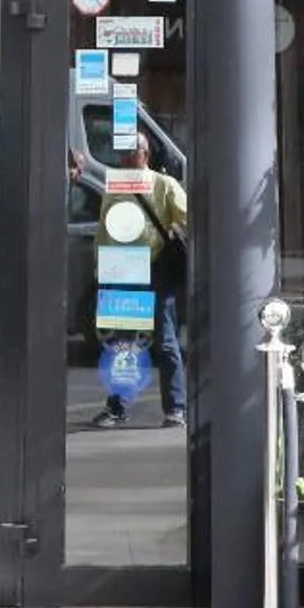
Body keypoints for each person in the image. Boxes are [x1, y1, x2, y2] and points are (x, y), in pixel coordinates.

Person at [90, 131, 188, 431]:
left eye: (131, 151)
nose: (124, 157)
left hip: (154, 268)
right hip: (121, 269)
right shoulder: (114, 184)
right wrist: (100, 266)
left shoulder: (164, 184)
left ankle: (175, 408)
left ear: (144, 153)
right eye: (122, 152)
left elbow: (186, 218)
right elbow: (105, 227)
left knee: (165, 341)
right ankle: (117, 407)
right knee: (122, 343)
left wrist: (174, 229)